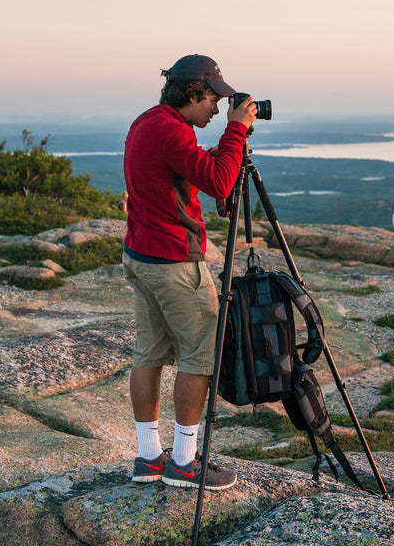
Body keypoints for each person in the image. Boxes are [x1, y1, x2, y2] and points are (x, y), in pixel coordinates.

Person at [122, 54, 257, 491]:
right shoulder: (170, 129)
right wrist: (236, 132)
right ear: (193, 92)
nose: (217, 107)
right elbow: (218, 184)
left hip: (141, 258)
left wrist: (220, 155)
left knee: (149, 355)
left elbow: (187, 170)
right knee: (199, 357)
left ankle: (149, 458)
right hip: (175, 264)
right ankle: (183, 463)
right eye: (213, 98)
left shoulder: (149, 122)